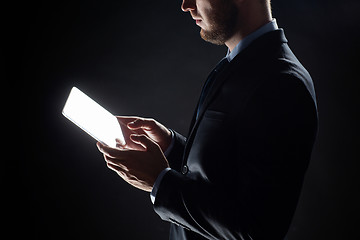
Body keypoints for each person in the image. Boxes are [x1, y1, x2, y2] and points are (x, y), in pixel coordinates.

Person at [96, 0, 318, 239]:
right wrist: (171, 147)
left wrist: (160, 181)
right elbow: (227, 176)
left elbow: (256, 230)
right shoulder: (238, 63)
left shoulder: (283, 83)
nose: (186, 5)